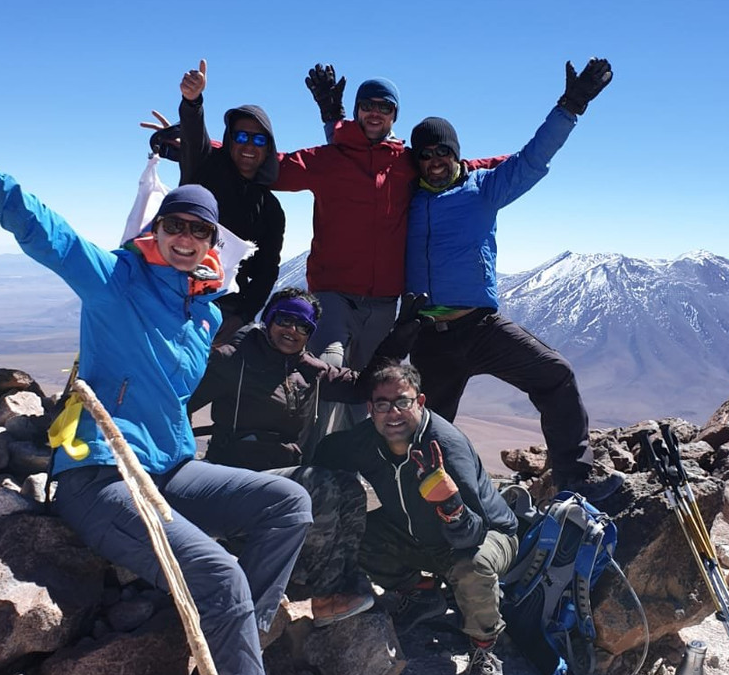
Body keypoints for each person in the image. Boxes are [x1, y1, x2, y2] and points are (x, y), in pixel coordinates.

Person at [0, 76, 311, 675]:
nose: (186, 238)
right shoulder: (116, 280)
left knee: (289, 505)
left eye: (199, 231)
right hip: (100, 478)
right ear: (158, 228)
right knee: (222, 573)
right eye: (175, 225)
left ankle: (241, 635)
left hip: (168, 469)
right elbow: (47, 232)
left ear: (212, 243)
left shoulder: (203, 313)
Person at [404, 57, 622, 503]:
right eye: (424, 155)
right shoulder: (403, 198)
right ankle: (416, 510)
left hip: (480, 327)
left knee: (555, 375)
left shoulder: (484, 188)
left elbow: (532, 158)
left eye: (442, 152)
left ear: (455, 153)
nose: (434, 161)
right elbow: (361, 170)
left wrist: (570, 107)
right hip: (428, 336)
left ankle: (575, 480)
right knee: (425, 430)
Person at [277, 65, 505, 425]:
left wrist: (523, 162)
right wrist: (198, 143)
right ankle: (312, 453)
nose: (375, 113)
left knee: (370, 387)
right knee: (328, 369)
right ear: (356, 111)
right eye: (367, 105)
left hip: (384, 302)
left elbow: (461, 165)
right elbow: (265, 166)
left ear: (394, 115)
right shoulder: (329, 158)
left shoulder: (406, 163)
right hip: (333, 293)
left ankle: (358, 454)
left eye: (384, 107)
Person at [188, 287, 425, 627]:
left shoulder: (309, 370)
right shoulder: (232, 359)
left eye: (303, 326)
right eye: (285, 320)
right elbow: (180, 402)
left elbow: (361, 387)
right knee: (320, 484)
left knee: (350, 488)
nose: (292, 330)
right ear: (269, 319)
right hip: (235, 483)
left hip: (278, 483)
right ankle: (324, 594)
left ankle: (343, 584)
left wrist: (398, 339)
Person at [314, 363, 518, 675]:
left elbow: (474, 534)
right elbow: (328, 451)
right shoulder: (366, 440)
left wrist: (450, 504)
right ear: (371, 408)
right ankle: (422, 595)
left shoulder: (445, 447)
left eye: (403, 402)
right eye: (383, 404)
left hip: (485, 536)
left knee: (473, 565)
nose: (393, 413)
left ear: (420, 402)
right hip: (419, 534)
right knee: (356, 532)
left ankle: (485, 650)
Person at [146, 59, 286, 346]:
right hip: (169, 291)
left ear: (268, 149)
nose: (249, 145)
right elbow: (195, 137)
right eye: (241, 136)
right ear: (229, 140)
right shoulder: (205, 168)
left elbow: (267, 270)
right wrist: (193, 101)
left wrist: (241, 316)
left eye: (259, 140)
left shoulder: (271, 210)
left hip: (222, 310)